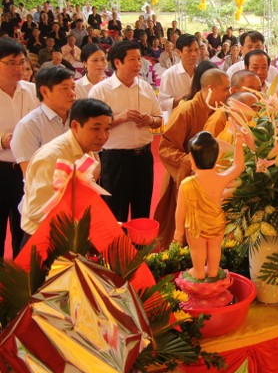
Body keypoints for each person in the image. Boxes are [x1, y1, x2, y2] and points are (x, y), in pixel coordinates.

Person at [155, 68, 230, 249]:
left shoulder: (221, 110)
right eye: (226, 89)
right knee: (184, 228)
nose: (229, 93)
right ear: (210, 89)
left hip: (211, 179)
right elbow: (165, 147)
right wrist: (192, 161)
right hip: (186, 177)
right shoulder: (186, 110)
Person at [88, 40, 162, 222]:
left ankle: (140, 241)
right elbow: (92, 127)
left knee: (142, 212)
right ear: (117, 62)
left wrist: (150, 120)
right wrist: (120, 118)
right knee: (115, 213)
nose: (138, 64)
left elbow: (159, 119)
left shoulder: (146, 87)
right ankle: (116, 243)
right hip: (116, 159)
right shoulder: (100, 91)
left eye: (139, 59)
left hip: (143, 157)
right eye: (132, 59)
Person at [19, 98, 112, 242]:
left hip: (70, 235)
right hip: (43, 239)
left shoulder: (88, 150)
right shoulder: (52, 157)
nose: (103, 136)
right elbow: (37, 212)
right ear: (75, 126)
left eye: (107, 129)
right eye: (96, 128)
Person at [173, 130, 245, 280]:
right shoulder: (220, 179)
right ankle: (213, 271)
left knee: (197, 249)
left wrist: (178, 232)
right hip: (217, 224)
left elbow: (180, 211)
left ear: (192, 158)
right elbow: (238, 167)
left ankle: (199, 272)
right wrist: (238, 145)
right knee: (214, 247)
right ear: (216, 157)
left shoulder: (186, 184)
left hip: (196, 226)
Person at [0, 38, 38, 258]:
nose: (19, 68)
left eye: (22, 62)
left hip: (27, 170)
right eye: (11, 63)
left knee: (24, 229)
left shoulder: (33, 91)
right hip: (1, 167)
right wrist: (1, 141)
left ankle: (20, 275)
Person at [11, 65, 75, 173]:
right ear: (44, 91)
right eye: (65, 88)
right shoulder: (28, 126)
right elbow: (31, 174)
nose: (72, 93)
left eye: (73, 87)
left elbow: (93, 159)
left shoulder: (79, 119)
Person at [159, 34, 199, 112]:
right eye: (189, 50)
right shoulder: (169, 75)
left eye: (196, 50)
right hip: (177, 118)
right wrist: (188, 95)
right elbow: (163, 104)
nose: (194, 54)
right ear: (178, 52)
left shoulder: (203, 73)